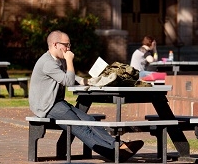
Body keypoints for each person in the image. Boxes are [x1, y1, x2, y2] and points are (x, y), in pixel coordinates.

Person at [29, 30, 144, 162]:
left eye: (69, 45)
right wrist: (69, 60)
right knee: (80, 128)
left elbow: (66, 74)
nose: (68, 49)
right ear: (55, 44)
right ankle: (112, 154)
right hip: (47, 106)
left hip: (57, 103)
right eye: (66, 45)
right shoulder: (47, 62)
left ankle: (118, 146)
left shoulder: (56, 60)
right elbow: (68, 81)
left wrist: (83, 81)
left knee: (90, 120)